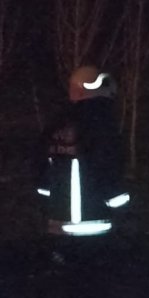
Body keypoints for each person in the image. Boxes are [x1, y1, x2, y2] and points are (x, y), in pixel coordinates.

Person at [36, 65, 129, 266]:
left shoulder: (57, 124)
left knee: (63, 279)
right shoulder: (101, 124)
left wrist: (47, 206)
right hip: (95, 225)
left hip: (58, 226)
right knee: (93, 279)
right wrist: (122, 209)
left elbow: (41, 172)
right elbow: (108, 167)